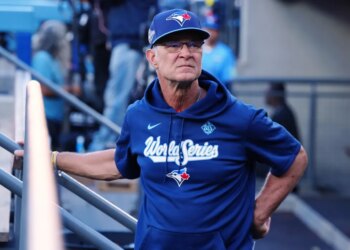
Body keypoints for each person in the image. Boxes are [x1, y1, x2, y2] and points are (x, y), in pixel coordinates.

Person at [20, 9, 308, 249]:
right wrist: (52, 158)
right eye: (173, 45)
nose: (186, 53)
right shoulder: (138, 115)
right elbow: (117, 162)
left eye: (194, 45)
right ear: (152, 58)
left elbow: (294, 156)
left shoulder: (239, 117)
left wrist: (259, 212)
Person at [87, 0, 158, 151]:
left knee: (117, 97)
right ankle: (114, 141)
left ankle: (103, 142)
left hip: (130, 42)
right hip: (127, 42)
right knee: (118, 96)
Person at [31, 20, 77, 150]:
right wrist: (71, 89)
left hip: (56, 116)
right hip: (47, 116)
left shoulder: (54, 60)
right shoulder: (42, 57)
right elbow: (43, 89)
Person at [202, 11, 236, 90]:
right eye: (208, 29)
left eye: (214, 30)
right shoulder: (195, 49)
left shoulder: (225, 52)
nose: (210, 32)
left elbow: (228, 79)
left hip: (218, 94)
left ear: (218, 32)